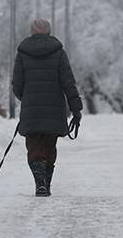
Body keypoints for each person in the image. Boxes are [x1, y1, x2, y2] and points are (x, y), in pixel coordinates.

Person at [12, 18, 83, 197]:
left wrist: (27, 98)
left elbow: (17, 85)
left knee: (34, 147)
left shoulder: (22, 52)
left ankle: (39, 183)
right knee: (50, 147)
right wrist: (76, 109)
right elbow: (68, 83)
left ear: (31, 31)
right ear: (49, 31)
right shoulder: (59, 52)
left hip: (31, 110)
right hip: (54, 109)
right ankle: (47, 182)